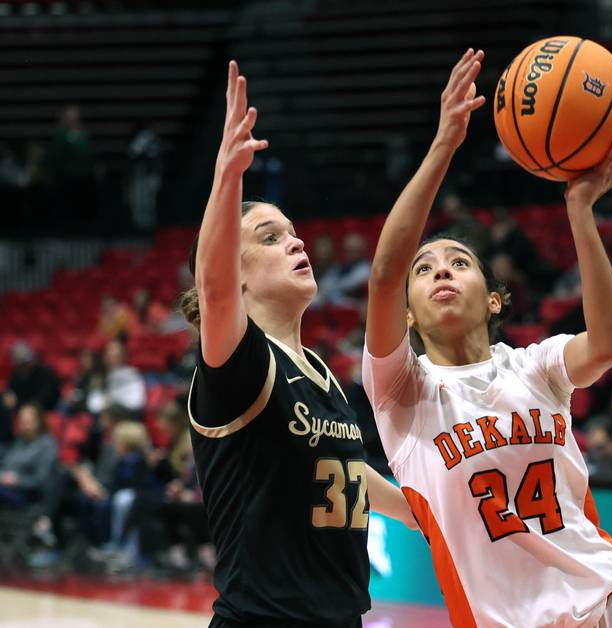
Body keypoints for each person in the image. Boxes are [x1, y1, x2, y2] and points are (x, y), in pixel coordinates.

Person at [362, 49, 612, 627]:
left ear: (494, 300)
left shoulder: (535, 366)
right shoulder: (403, 396)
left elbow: (607, 346)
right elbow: (385, 270)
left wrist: (580, 210)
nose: (441, 271)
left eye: (459, 262)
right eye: (425, 270)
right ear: (408, 314)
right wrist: (444, 142)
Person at [178, 60, 413, 628]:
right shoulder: (240, 363)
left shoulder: (322, 373)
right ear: (236, 276)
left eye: (292, 231)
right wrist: (227, 175)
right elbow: (210, 287)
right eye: (269, 236)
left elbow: (345, 474)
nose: (295, 240)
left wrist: (419, 512)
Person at [0, 404, 58, 509]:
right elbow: (6, 462)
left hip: (25, 494)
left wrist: (17, 480)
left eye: (29, 422)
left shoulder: (47, 444)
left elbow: (41, 479)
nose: (25, 426)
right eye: (22, 422)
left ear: (39, 421)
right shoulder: (19, 441)